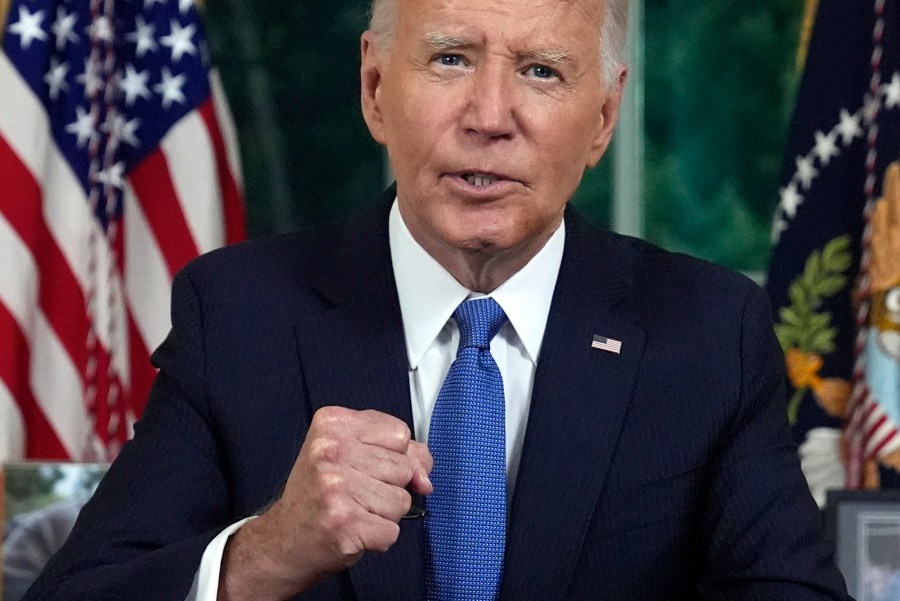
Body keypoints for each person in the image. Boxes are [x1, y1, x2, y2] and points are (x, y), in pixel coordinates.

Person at [25, 0, 853, 599]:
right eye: (451, 57)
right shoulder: (238, 315)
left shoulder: (708, 333)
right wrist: (266, 553)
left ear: (603, 117)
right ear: (376, 86)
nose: (489, 117)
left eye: (539, 70)